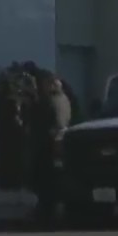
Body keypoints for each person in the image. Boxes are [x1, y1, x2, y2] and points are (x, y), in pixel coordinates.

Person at [31, 73, 73, 222]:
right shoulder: (64, 99)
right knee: (52, 179)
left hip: (50, 144)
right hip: (56, 142)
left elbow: (54, 123)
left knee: (47, 179)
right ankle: (49, 208)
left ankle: (47, 210)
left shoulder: (53, 101)